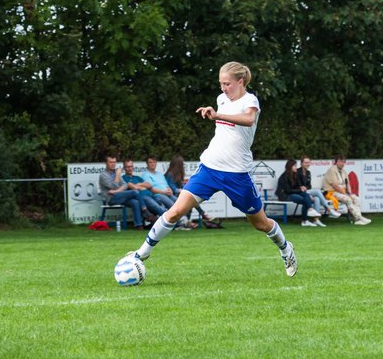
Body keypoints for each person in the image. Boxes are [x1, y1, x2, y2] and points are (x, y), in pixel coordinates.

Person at [125, 62, 297, 277]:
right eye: (221, 83)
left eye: (227, 84)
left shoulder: (250, 100)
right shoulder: (221, 99)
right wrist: (212, 112)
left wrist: (218, 116)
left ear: (240, 82)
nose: (224, 88)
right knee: (176, 211)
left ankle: (285, 248)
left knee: (260, 223)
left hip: (237, 174)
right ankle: (141, 254)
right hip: (209, 168)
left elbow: (249, 119)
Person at [165, 154, 222, 228]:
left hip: (178, 195)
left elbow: (181, 187)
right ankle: (202, 214)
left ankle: (191, 219)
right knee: (190, 199)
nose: (183, 166)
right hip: (171, 196)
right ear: (178, 165)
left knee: (191, 199)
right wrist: (184, 190)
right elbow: (173, 189)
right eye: (182, 164)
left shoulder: (178, 174)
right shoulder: (169, 175)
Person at [98, 154, 146, 228]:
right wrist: (117, 175)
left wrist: (116, 191)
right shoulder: (103, 175)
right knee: (134, 192)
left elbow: (125, 185)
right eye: (111, 162)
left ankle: (139, 225)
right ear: (106, 163)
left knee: (135, 202)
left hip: (119, 196)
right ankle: (145, 211)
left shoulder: (116, 173)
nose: (113, 164)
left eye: (114, 162)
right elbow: (113, 186)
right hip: (110, 199)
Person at [322, 155, 370, 225]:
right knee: (348, 199)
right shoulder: (332, 170)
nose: (342, 163)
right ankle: (358, 218)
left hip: (342, 192)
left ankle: (358, 219)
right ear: (336, 162)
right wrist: (346, 194)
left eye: (343, 162)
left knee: (356, 198)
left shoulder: (344, 171)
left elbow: (347, 184)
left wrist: (350, 193)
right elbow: (335, 186)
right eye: (340, 161)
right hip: (331, 192)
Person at [276, 158, 321, 226]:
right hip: (285, 195)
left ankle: (310, 211)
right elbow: (288, 190)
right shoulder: (284, 176)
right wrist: (300, 190)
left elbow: (298, 186)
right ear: (290, 167)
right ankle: (305, 220)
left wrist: (301, 188)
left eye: (296, 166)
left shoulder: (295, 175)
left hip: (292, 193)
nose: (296, 168)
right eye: (294, 166)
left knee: (306, 195)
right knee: (304, 199)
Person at [121, 158, 165, 225]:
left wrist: (140, 184)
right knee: (158, 208)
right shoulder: (124, 178)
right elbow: (134, 188)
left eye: (131, 166)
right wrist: (142, 186)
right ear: (124, 168)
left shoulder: (137, 177)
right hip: (143, 198)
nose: (130, 168)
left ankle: (166, 221)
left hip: (151, 195)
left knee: (163, 203)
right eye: (128, 167)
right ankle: (174, 222)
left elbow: (149, 185)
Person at [299, 156, 340, 221]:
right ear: (301, 163)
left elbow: (309, 186)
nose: (307, 164)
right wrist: (305, 190)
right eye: (305, 162)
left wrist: (306, 188)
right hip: (300, 192)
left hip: (307, 192)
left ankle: (316, 220)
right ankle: (329, 209)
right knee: (317, 192)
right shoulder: (298, 172)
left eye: (308, 162)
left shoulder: (308, 172)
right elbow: (297, 185)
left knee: (317, 198)